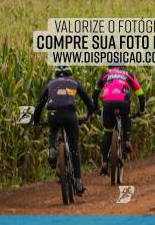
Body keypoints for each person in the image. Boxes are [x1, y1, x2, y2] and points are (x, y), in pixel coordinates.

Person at [32, 65, 95, 196]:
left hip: (53, 114)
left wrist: (36, 120)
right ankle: (78, 182)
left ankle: (52, 150)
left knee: (53, 131)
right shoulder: (74, 82)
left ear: (56, 75)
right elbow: (88, 101)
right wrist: (90, 114)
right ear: (70, 74)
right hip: (70, 114)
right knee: (74, 149)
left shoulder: (50, 83)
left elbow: (40, 105)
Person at [93, 64, 146, 175]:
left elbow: (95, 94)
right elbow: (141, 95)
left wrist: (96, 109)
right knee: (126, 116)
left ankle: (104, 162)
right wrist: (141, 110)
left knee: (107, 132)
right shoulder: (129, 75)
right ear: (123, 66)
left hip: (108, 103)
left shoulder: (105, 74)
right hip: (123, 102)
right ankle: (126, 140)